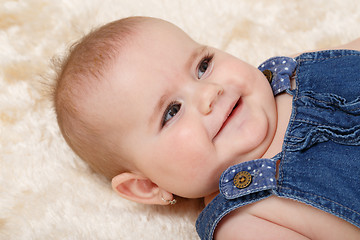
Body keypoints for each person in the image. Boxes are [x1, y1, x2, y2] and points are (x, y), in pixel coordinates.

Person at [53, 16, 360, 239]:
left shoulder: (286, 73)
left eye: (203, 66)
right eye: (172, 111)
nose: (209, 92)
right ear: (147, 186)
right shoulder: (243, 222)